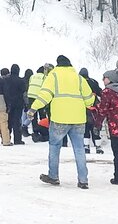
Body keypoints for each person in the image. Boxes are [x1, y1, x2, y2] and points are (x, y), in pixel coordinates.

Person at [29, 55, 95, 189]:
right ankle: (83, 180)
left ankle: (53, 176)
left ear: (57, 65)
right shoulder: (79, 78)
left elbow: (45, 95)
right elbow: (89, 100)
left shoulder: (53, 76)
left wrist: (33, 108)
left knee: (54, 146)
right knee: (79, 149)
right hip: (78, 119)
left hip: (59, 118)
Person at [5, 64, 27, 144]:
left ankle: (7, 138)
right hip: (18, 103)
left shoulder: (6, 80)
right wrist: (26, 104)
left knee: (8, 121)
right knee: (17, 121)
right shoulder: (21, 81)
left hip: (8, 103)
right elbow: (24, 92)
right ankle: (17, 139)